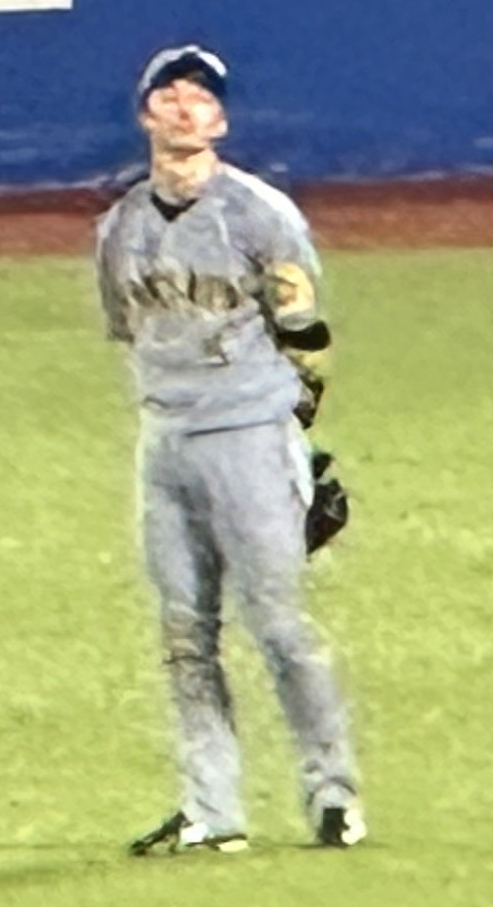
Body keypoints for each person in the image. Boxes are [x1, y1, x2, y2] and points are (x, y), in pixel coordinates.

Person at [93, 42, 363, 858]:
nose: (185, 107)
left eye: (201, 98)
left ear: (220, 121)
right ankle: (212, 810)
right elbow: (130, 331)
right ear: (146, 114)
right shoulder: (121, 226)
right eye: (170, 95)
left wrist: (294, 443)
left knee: (277, 625)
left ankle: (334, 794)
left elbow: (305, 333)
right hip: (165, 441)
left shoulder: (259, 215)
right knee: (185, 636)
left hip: (248, 437)